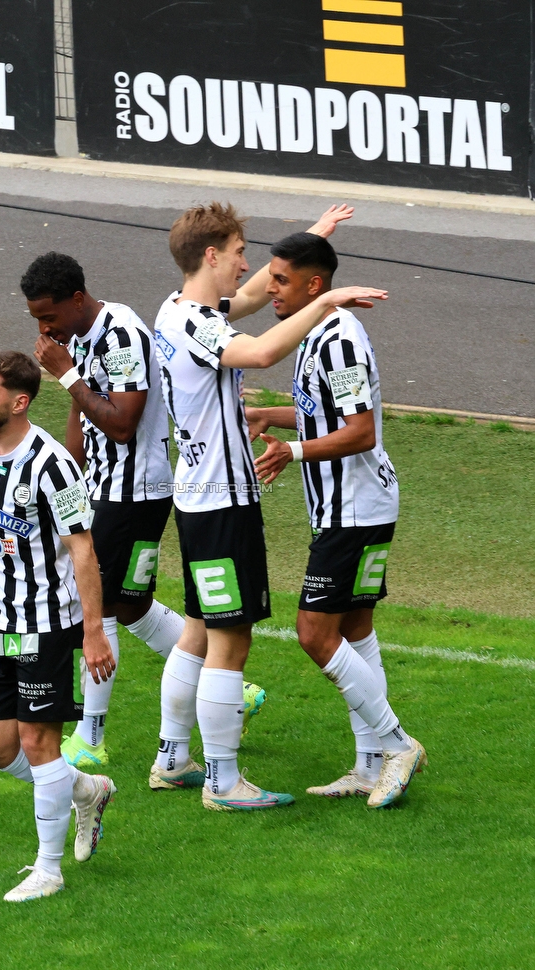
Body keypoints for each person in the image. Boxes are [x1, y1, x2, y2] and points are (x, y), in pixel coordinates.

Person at [150, 201, 387, 811]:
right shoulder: (201, 324)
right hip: (221, 502)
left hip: (195, 496)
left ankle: (173, 756)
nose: (247, 266)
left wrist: (314, 237)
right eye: (237, 253)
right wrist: (324, 301)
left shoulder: (175, 311)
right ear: (211, 255)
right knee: (230, 643)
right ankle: (224, 782)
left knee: (199, 633)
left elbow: (255, 297)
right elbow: (258, 352)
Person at [22, 252, 266, 781]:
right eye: (36, 319)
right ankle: (234, 689)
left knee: (101, 603)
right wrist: (68, 482)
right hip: (102, 490)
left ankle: (90, 737)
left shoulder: (122, 334)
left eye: (48, 316)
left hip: (133, 492)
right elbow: (80, 417)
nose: (43, 328)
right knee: (130, 605)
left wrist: (65, 375)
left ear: (77, 300)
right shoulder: (80, 339)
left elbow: (123, 425)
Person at [0, 351, 116, 902]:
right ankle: (85, 789)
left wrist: (93, 630)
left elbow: (83, 548)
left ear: (19, 401)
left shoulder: (54, 465)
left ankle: (48, 870)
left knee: (38, 742)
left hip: (47, 623)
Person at [247, 232, 427, 808]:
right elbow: (319, 412)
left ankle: (399, 745)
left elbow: (360, 431)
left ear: (314, 284)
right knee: (355, 631)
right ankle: (368, 764)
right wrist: (264, 414)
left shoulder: (340, 339)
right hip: (353, 506)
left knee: (314, 633)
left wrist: (290, 451)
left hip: (357, 511)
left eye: (280, 279)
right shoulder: (315, 334)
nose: (270, 288)